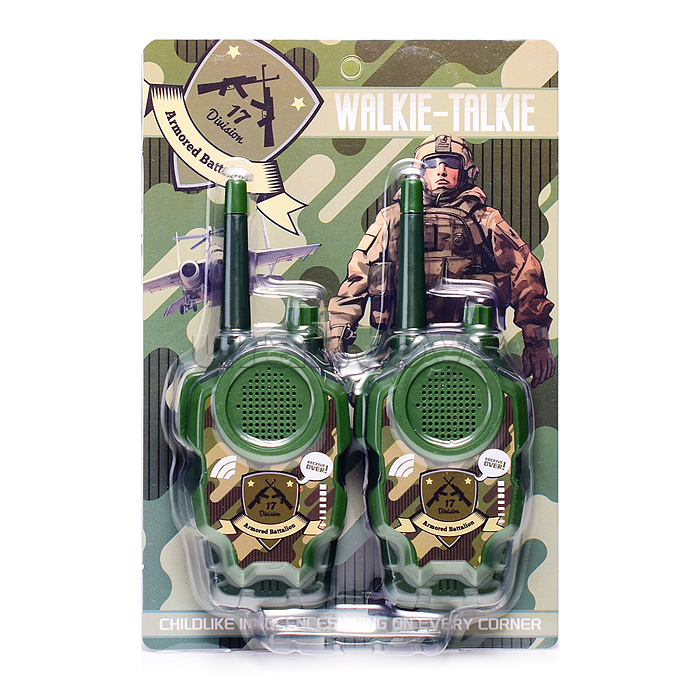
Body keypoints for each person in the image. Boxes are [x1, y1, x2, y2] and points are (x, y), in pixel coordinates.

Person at [328, 133, 555, 387]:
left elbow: (525, 272)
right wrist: (337, 333)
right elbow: (358, 276)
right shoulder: (392, 219)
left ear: (467, 171)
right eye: (432, 164)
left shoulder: (483, 219)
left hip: (472, 352)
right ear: (419, 172)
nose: (442, 170)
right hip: (398, 353)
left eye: (451, 163)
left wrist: (536, 339)